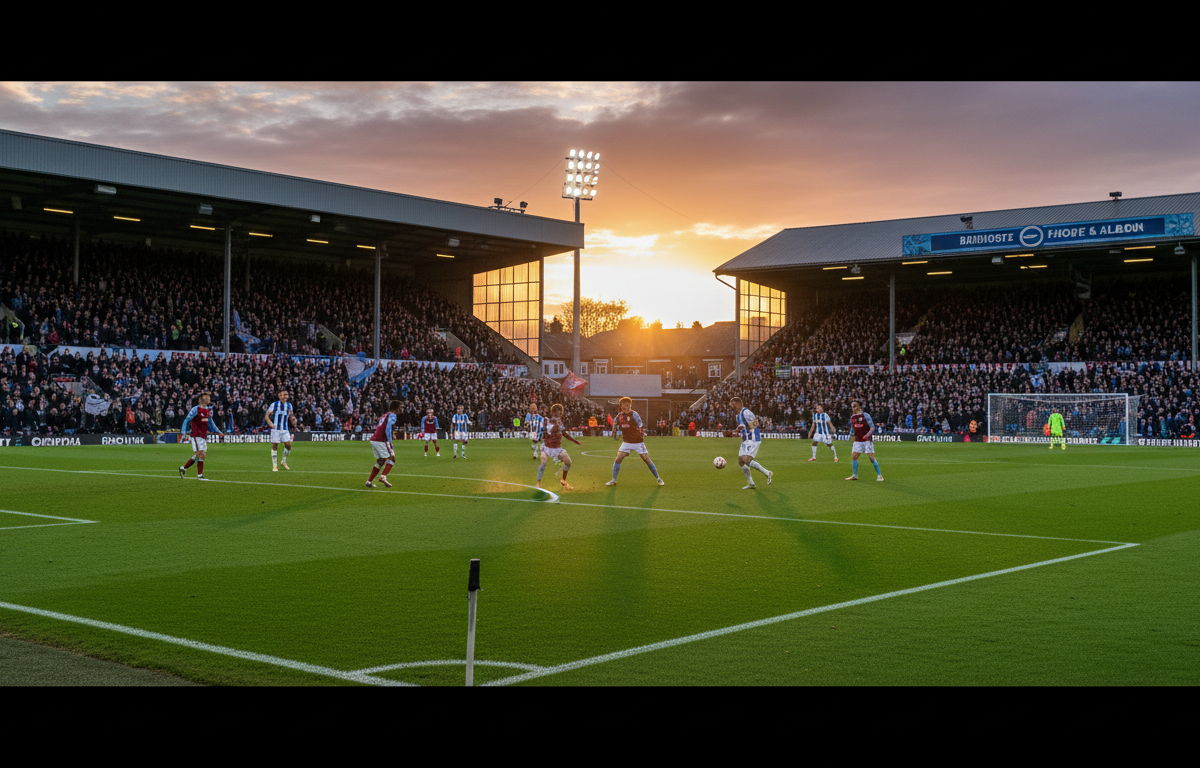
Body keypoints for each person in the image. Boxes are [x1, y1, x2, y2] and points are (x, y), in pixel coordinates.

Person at [606, 397, 664, 487]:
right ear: (621, 407)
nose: (626, 408)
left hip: (638, 442)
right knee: (618, 459)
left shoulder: (634, 414)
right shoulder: (619, 416)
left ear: (630, 406)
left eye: (628, 406)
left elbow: (640, 425)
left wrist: (642, 432)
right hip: (626, 442)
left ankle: (658, 478)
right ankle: (614, 479)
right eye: (624, 407)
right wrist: (614, 434)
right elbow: (615, 424)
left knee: (646, 459)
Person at [730, 397, 772, 489]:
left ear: (738, 404)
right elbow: (743, 427)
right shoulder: (737, 415)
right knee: (741, 461)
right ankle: (751, 483)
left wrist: (744, 427)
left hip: (753, 438)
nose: (731, 407)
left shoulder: (746, 412)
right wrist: (739, 429)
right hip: (746, 439)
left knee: (746, 459)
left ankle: (767, 473)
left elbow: (755, 424)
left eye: (733, 405)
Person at [179, 392, 223, 481]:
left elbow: (211, 423)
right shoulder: (196, 409)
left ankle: (183, 468)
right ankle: (200, 476)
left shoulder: (207, 410)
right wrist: (183, 432)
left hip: (203, 436)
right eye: (206, 397)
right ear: (200, 399)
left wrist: (219, 432)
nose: (208, 399)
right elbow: (187, 420)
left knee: (200, 455)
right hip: (196, 435)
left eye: (208, 397)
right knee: (201, 454)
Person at [537, 403, 579, 491]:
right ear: (552, 413)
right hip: (547, 447)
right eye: (556, 413)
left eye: (559, 413)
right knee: (543, 462)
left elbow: (563, 433)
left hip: (557, 448)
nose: (558, 415)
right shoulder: (546, 420)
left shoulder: (559, 422)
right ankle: (538, 483)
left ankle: (563, 480)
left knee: (568, 462)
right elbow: (546, 431)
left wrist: (573, 440)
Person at [366, 399, 402, 488]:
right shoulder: (393, 415)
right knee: (392, 458)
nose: (401, 409)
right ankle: (383, 477)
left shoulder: (385, 415)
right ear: (397, 408)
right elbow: (388, 428)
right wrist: (390, 441)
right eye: (401, 407)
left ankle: (369, 482)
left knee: (381, 461)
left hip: (374, 439)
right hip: (381, 440)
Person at [846, 400, 883, 481]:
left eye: (855, 406)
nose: (853, 408)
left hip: (867, 441)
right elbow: (852, 428)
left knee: (871, 457)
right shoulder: (852, 417)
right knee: (854, 457)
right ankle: (855, 475)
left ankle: (880, 476)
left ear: (859, 406)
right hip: (857, 440)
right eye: (852, 407)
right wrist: (850, 435)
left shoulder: (865, 415)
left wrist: (867, 435)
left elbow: (872, 427)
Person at [265, 389, 295, 471]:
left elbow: (291, 415)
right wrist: (270, 423)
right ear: (279, 396)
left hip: (285, 429)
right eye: (282, 395)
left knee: (288, 446)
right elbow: (267, 415)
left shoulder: (289, 405)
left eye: (286, 394)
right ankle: (274, 466)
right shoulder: (274, 404)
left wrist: (293, 420)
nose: (284, 396)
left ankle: (283, 461)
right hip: (275, 429)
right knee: (275, 445)